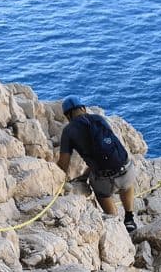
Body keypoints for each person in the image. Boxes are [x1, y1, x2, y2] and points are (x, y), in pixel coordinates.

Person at [56, 96, 138, 233]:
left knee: (101, 194)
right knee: (127, 185)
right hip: (127, 169)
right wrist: (86, 174)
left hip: (105, 181)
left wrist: (57, 180)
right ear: (83, 108)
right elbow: (105, 150)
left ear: (67, 115)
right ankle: (129, 217)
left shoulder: (68, 131)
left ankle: (115, 222)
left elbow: (64, 162)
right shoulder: (99, 119)